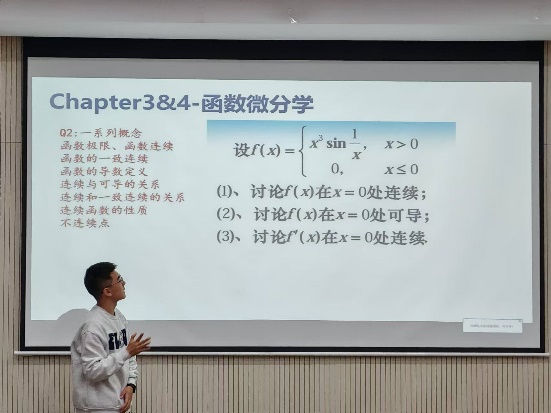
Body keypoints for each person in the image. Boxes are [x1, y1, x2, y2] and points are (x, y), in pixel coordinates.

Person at [71, 262, 151, 413]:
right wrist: (127, 352)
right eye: (119, 280)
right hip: (96, 408)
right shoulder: (92, 326)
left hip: (118, 403)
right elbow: (92, 371)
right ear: (107, 291)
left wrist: (131, 384)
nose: (124, 283)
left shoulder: (119, 317)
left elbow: (129, 355)